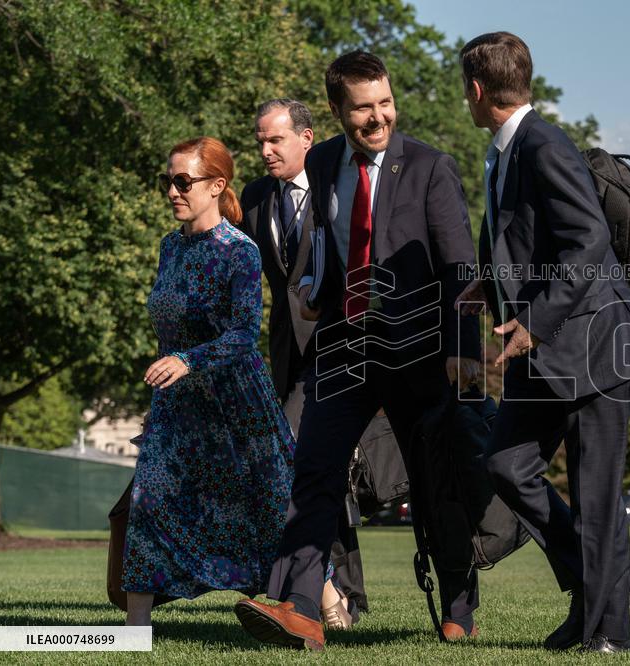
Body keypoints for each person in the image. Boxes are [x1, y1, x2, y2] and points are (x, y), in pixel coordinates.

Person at [234, 50, 482, 650]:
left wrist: (465, 348)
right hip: (343, 348)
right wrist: (318, 289)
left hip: (419, 352)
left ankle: (457, 603)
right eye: (364, 108)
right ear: (338, 110)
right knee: (313, 469)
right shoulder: (319, 163)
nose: (378, 118)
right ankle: (300, 610)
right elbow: (326, 240)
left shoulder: (429, 167)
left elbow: (462, 268)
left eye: (385, 103)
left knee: (431, 479)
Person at [456, 32, 630, 653]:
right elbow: (525, 241)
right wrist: (486, 288)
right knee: (507, 464)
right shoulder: (510, 149)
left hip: (590, 344)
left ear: (476, 89)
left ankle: (608, 632)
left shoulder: (543, 145)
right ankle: (592, 589)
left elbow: (588, 240)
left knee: (597, 494)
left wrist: (536, 321)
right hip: (545, 347)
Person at [123, 137, 295, 627]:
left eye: (183, 182)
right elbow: (168, 328)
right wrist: (163, 385)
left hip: (236, 403)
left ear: (217, 185)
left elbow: (243, 334)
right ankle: (136, 629)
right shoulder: (169, 248)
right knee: (149, 501)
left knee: (270, 507)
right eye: (168, 182)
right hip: (178, 406)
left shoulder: (239, 251)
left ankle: (326, 603)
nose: (173, 192)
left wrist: (188, 359)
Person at [239, 98, 366, 629]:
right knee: (318, 473)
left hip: (342, 352)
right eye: (261, 141)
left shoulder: (343, 188)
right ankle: (342, 594)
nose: (266, 151)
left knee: (294, 467)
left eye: (276, 140)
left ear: (307, 138)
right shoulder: (253, 197)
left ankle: (311, 593)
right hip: (287, 359)